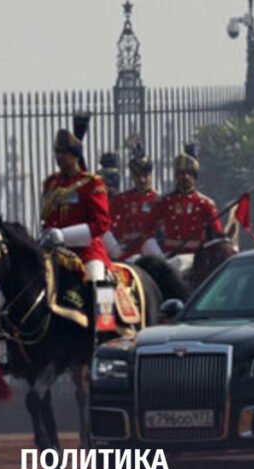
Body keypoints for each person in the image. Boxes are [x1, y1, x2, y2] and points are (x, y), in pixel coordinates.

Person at [39, 114, 118, 323]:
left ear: (75, 155)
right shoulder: (50, 184)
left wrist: (63, 235)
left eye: (64, 152)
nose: (60, 157)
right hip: (55, 252)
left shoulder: (92, 183)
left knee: (96, 282)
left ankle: (104, 330)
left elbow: (102, 224)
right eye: (57, 152)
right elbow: (47, 220)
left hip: (86, 252)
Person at [141, 145, 222, 272]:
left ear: (195, 176)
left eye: (189, 173)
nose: (185, 177)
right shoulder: (163, 202)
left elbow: (217, 235)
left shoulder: (205, 203)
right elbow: (147, 231)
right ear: (175, 176)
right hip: (169, 257)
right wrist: (159, 258)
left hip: (198, 259)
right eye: (181, 173)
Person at [108, 141, 157, 260]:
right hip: (125, 253)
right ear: (132, 176)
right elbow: (108, 226)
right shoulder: (121, 200)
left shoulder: (160, 200)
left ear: (151, 175)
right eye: (137, 176)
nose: (142, 180)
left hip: (152, 253)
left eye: (146, 175)